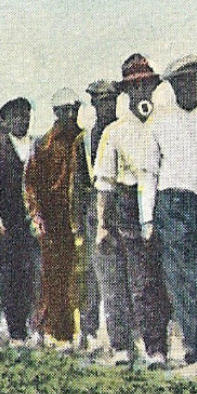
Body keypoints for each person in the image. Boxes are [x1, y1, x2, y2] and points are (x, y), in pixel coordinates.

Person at [141, 56, 197, 365]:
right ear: (172, 87)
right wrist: (147, 217)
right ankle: (194, 344)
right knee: (181, 274)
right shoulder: (160, 120)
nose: (187, 88)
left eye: (193, 81)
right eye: (180, 83)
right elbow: (149, 172)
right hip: (171, 203)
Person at [95, 54, 168, 365]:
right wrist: (102, 224)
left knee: (152, 281)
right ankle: (123, 345)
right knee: (122, 282)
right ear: (126, 92)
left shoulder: (164, 121)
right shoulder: (115, 131)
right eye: (135, 87)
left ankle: (156, 347)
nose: (142, 92)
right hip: (125, 204)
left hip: (160, 203)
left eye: (146, 86)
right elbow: (105, 183)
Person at [24, 89, 88, 346]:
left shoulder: (83, 140)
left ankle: (82, 331)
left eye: (73, 109)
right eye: (64, 110)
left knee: (80, 275)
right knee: (53, 276)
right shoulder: (43, 144)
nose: (70, 114)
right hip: (53, 220)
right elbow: (31, 186)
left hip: (78, 217)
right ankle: (53, 330)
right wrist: (36, 218)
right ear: (56, 113)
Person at [0, 98, 43, 344]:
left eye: (26, 115)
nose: (22, 120)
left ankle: (35, 326)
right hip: (9, 220)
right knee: (12, 275)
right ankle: (16, 330)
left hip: (34, 220)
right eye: (16, 116)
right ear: (5, 120)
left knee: (35, 274)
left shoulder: (37, 147)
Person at [77, 80, 121, 350]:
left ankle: (127, 334)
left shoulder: (124, 128)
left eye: (109, 101)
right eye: (100, 101)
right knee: (94, 275)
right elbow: (79, 181)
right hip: (94, 209)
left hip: (123, 207)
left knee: (123, 276)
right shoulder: (85, 140)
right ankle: (89, 329)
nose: (105, 105)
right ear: (93, 104)